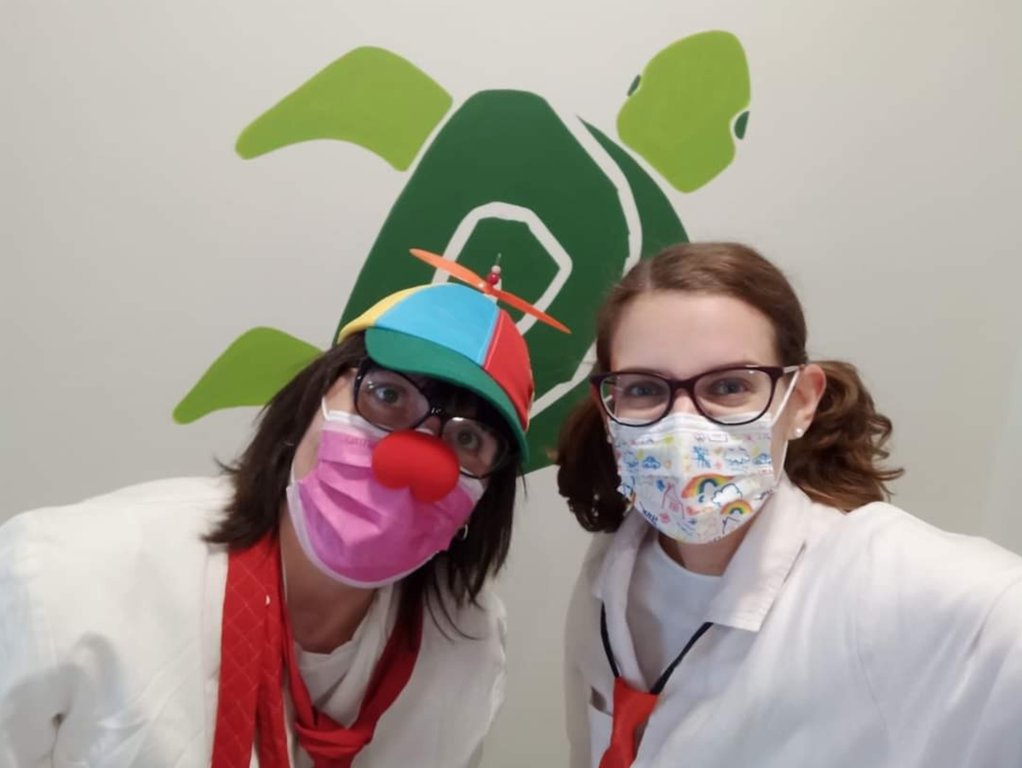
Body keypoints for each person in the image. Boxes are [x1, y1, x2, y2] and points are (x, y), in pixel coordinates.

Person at [0, 280, 536, 767]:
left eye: (467, 439)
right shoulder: (65, 575)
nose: (417, 458)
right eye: (388, 395)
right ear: (315, 398)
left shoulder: (469, 642)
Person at [556, 243, 1022, 768]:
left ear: (800, 401)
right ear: (608, 407)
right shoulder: (612, 566)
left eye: (728, 386)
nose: (682, 423)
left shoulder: (880, 580)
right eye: (644, 388)